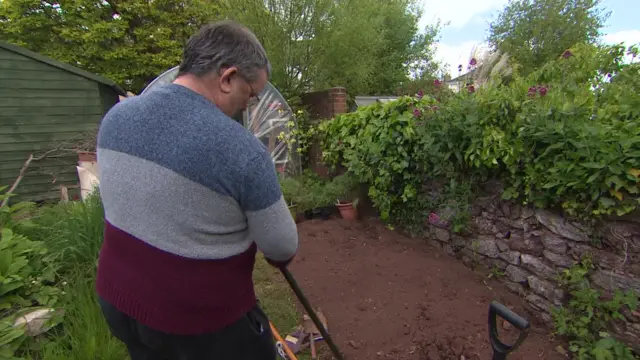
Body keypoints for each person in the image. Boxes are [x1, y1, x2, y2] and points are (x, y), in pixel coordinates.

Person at [95, 20, 299, 360]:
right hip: (197, 325)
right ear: (227, 77)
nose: (249, 104)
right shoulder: (242, 150)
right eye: (250, 92)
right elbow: (281, 247)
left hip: (119, 301)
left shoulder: (116, 118)